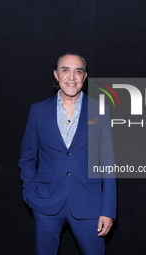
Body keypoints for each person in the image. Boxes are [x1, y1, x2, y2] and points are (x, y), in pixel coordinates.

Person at [19, 53, 117, 255]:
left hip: (89, 204)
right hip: (45, 203)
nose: (72, 77)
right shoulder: (37, 111)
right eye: (65, 70)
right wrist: (30, 193)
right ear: (56, 75)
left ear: (85, 76)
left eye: (78, 71)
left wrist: (108, 210)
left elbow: (108, 162)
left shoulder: (100, 110)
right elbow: (27, 158)